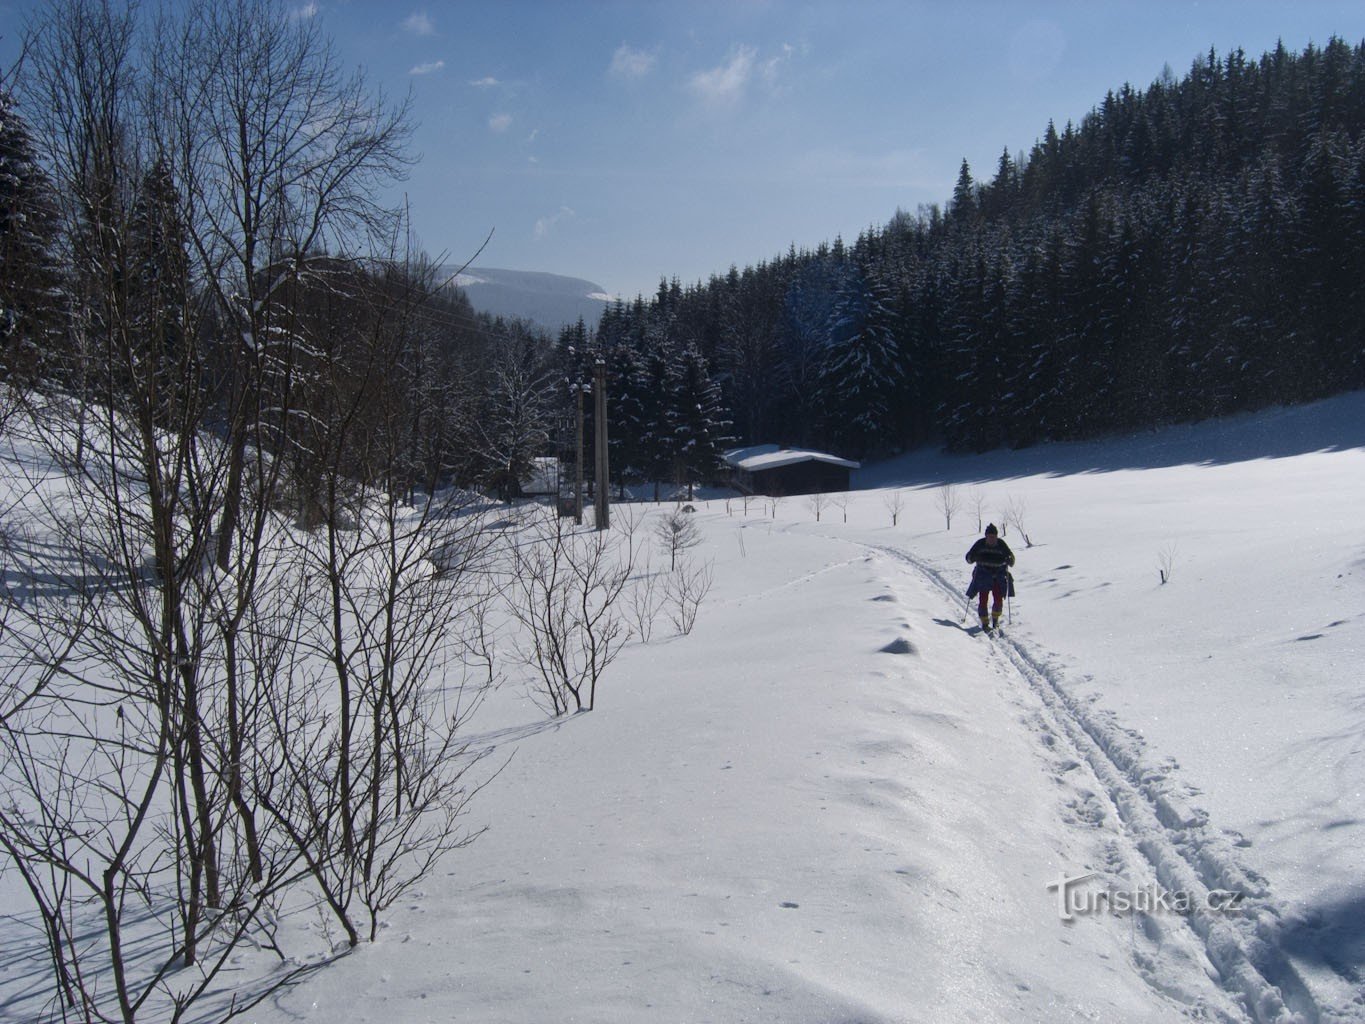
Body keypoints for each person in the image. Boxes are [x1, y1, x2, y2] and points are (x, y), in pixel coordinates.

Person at [965, 523, 1015, 632]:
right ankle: (984, 623)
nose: (992, 539)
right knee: (983, 600)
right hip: (983, 573)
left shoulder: (1001, 544)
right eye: (990, 537)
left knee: (998, 599)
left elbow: (1011, 558)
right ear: (986, 536)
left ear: (997, 536)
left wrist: (1010, 560)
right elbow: (968, 557)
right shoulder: (980, 544)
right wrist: (972, 557)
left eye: (994, 537)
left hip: (999, 574)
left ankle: (995, 620)